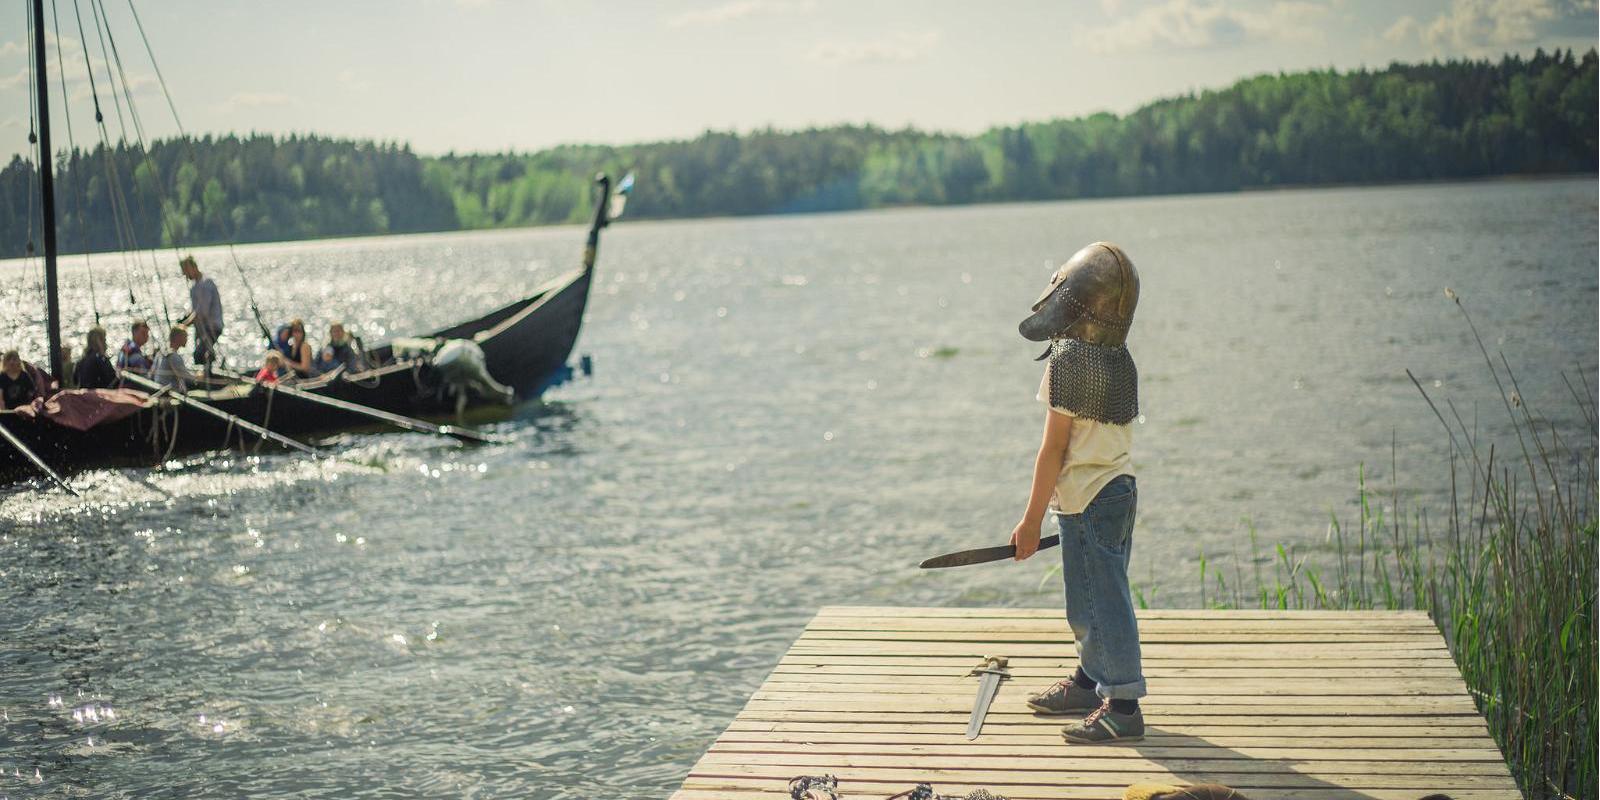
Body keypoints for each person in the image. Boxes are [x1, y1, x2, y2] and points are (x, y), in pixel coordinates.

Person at [1010, 242, 1146, 744]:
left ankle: (1125, 706)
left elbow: (1053, 451)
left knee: (1102, 603)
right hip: (1118, 490)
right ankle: (1089, 683)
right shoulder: (1120, 359)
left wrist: (1029, 523)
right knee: (1092, 600)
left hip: (1088, 499)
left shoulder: (1067, 362)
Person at [179, 255, 223, 370]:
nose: (185, 275)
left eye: (185, 271)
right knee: (201, 354)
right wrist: (185, 319)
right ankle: (208, 373)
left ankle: (206, 379)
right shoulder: (195, 287)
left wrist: (184, 325)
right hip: (201, 327)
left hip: (211, 327)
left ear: (191, 267)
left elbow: (202, 312)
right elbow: (195, 310)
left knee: (199, 354)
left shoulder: (206, 284)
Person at [151, 326, 198, 391]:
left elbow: (152, 373)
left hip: (159, 390)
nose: (187, 340)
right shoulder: (173, 356)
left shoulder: (160, 353)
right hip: (169, 393)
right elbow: (187, 378)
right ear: (178, 338)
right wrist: (198, 377)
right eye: (185, 337)